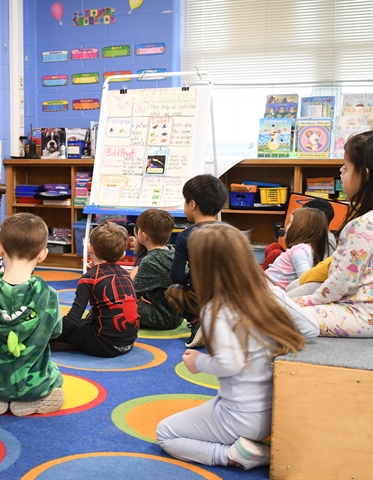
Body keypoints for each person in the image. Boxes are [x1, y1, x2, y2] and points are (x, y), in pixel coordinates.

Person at [156, 223, 319, 470]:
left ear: (203, 268)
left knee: (165, 433)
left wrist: (197, 363)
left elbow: (229, 364)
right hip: (275, 412)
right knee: (209, 408)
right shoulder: (269, 292)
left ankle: (233, 455)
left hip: (239, 416)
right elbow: (310, 328)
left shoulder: (216, 309)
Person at [0, 213, 64, 417]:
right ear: (43, 254)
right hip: (34, 385)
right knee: (55, 377)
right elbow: (56, 332)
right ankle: (31, 401)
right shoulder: (49, 295)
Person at [293, 131, 373, 337]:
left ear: (365, 175)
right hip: (357, 307)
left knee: (284, 314)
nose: (340, 172)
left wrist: (311, 300)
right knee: (287, 304)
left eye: (346, 168)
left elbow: (343, 281)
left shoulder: (363, 225)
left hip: (360, 313)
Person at [53, 221, 139, 357]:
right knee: (88, 321)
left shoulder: (90, 278)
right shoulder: (126, 274)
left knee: (62, 326)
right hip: (128, 342)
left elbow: (72, 319)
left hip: (104, 344)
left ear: (90, 248)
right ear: (122, 254)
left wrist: (49, 334)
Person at [166, 174, 227, 348]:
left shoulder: (186, 236)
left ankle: (196, 321)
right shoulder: (230, 231)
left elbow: (176, 275)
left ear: (192, 204)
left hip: (201, 297)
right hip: (231, 298)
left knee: (170, 292)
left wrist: (188, 279)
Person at [131, 210, 183, 330]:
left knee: (117, 302)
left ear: (143, 236)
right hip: (176, 314)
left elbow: (132, 292)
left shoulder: (150, 261)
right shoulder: (172, 251)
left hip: (163, 317)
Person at [264, 208, 328, 290]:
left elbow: (306, 280)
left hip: (269, 294)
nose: (285, 226)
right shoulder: (309, 250)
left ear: (302, 226)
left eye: (290, 222)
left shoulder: (298, 250)